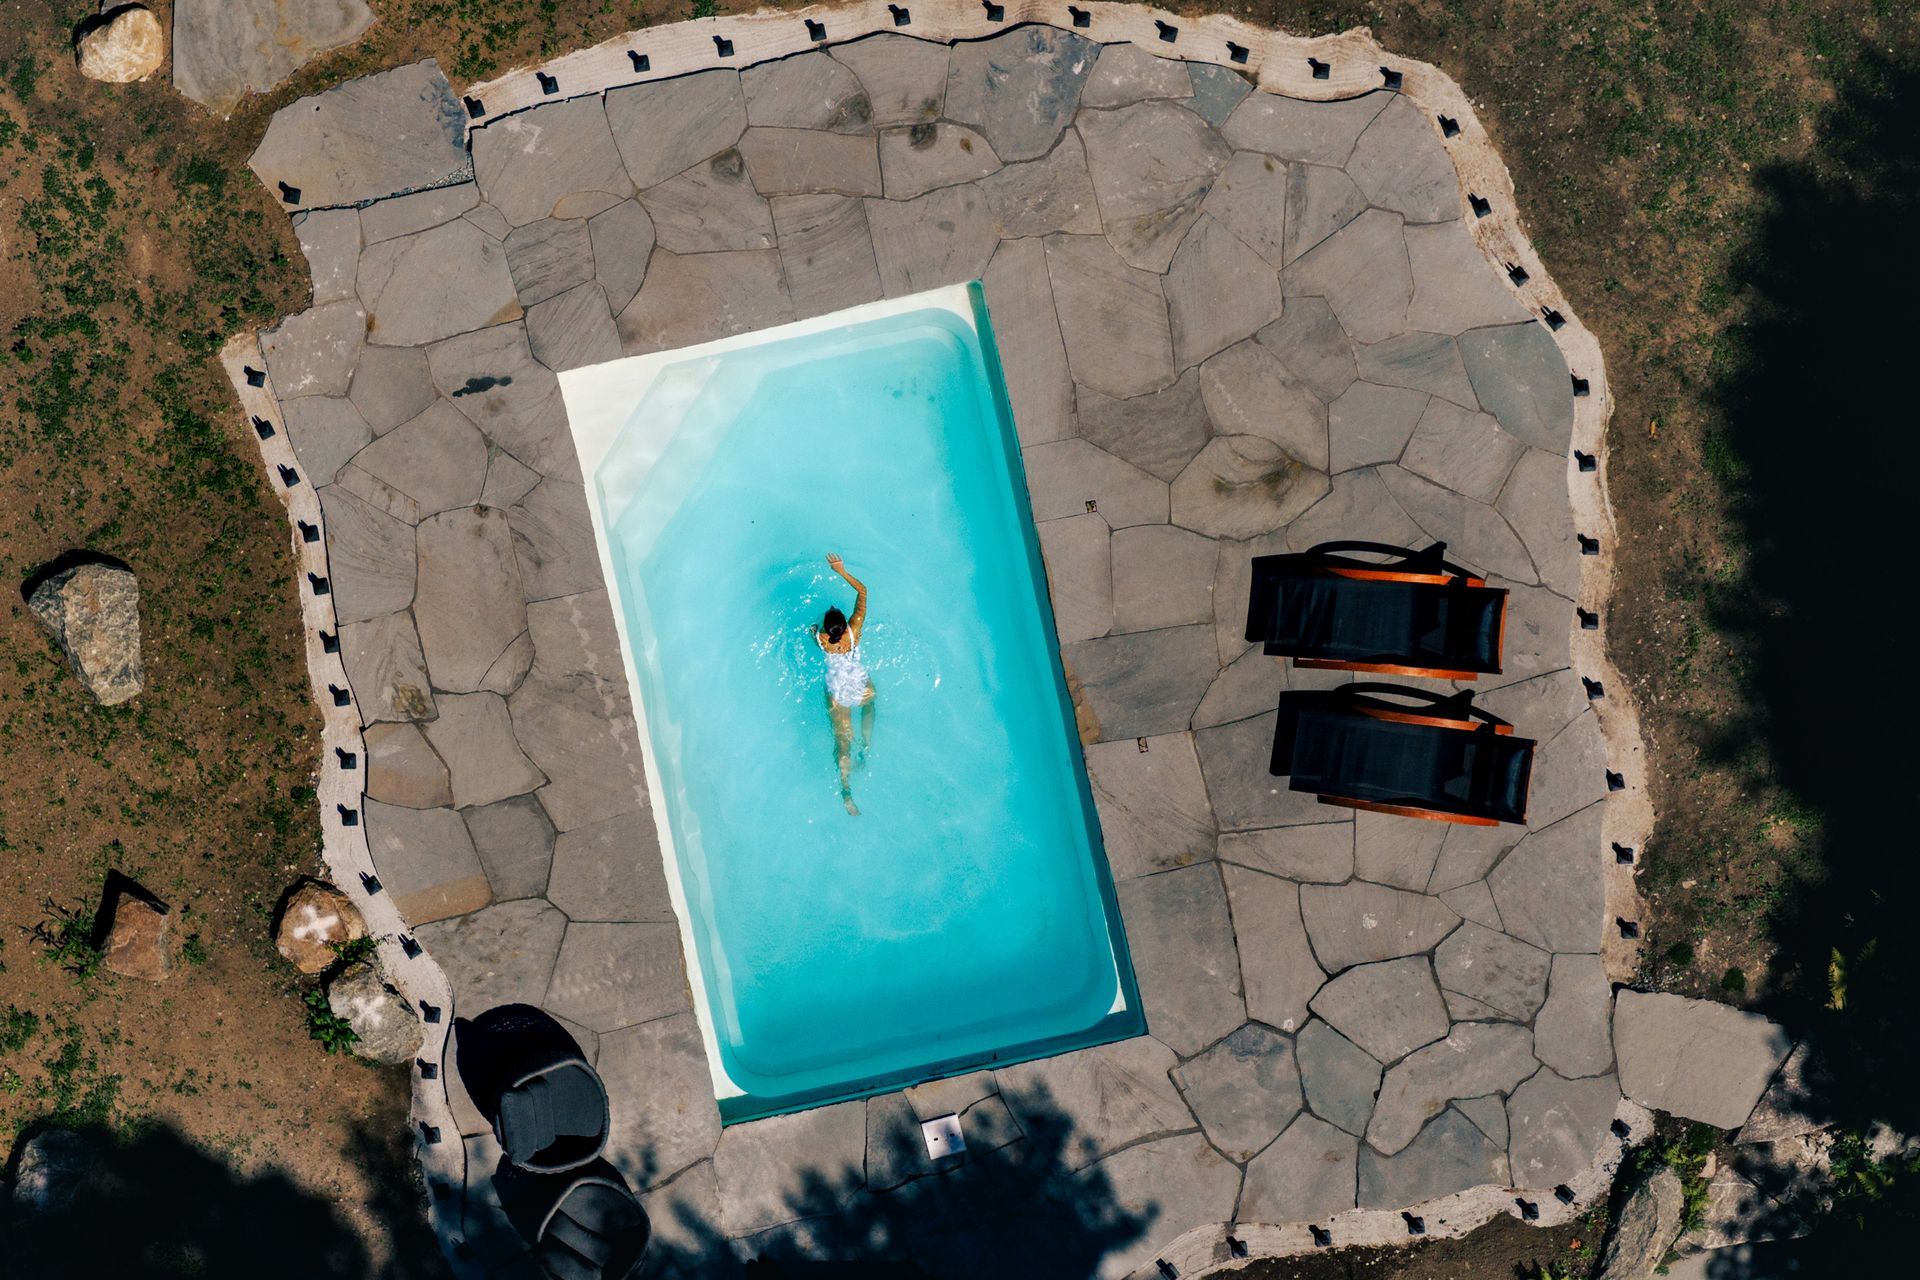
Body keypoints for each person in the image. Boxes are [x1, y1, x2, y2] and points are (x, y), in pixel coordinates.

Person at [815, 553, 875, 815]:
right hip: (858, 679)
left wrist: (814, 629)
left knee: (842, 739)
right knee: (870, 704)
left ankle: (846, 789)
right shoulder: (855, 629)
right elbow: (863, 591)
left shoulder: (821, 638)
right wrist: (841, 571)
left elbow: (816, 632)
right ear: (844, 623)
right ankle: (866, 745)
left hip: (837, 688)